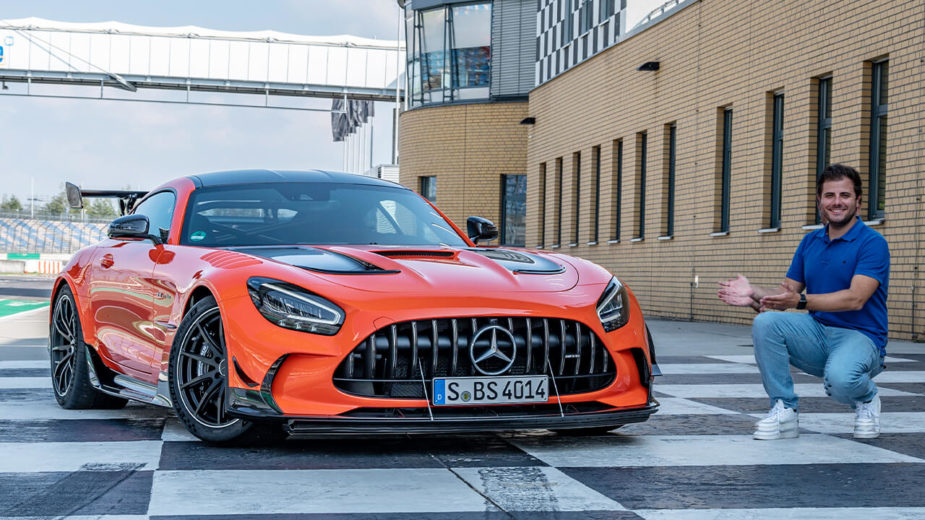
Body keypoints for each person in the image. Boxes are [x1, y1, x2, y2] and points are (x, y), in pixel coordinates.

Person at [718, 164, 889, 440]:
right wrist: (755, 295)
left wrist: (799, 301)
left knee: (842, 381)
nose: (836, 202)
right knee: (766, 322)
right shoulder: (810, 242)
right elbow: (788, 293)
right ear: (819, 201)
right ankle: (784, 409)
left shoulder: (872, 243)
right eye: (829, 195)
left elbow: (856, 298)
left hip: (862, 337)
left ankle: (867, 397)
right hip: (818, 333)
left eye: (844, 195)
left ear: (858, 202)